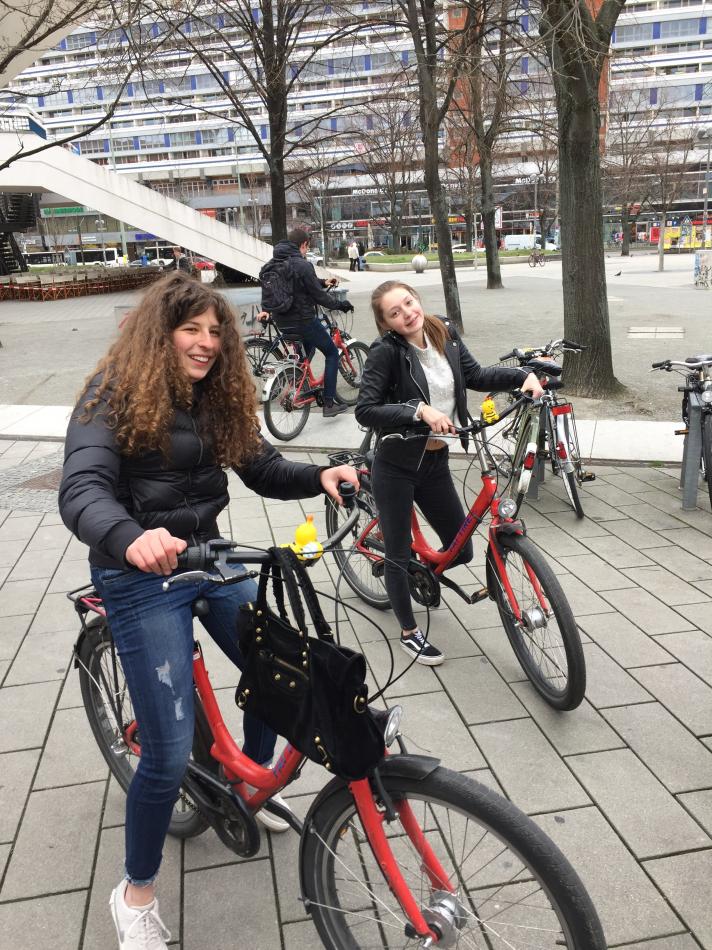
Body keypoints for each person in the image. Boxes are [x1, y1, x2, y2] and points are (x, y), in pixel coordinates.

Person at [59, 272, 358, 950]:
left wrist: (320, 475)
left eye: (215, 332)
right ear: (159, 333)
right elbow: (81, 489)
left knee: (279, 670)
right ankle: (135, 894)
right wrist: (130, 537)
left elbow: (262, 467)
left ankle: (250, 787)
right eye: (190, 329)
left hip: (208, 554)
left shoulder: (215, 395)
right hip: (138, 573)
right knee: (166, 753)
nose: (205, 342)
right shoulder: (109, 394)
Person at [355, 281, 544, 666]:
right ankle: (408, 632)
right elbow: (366, 409)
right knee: (397, 553)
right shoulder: (385, 352)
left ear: (417, 300)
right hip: (397, 464)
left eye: (408, 303)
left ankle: (419, 573)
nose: (407, 314)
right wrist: (418, 410)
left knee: (462, 549)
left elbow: (474, 375)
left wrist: (521, 376)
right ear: (386, 323)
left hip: (436, 461)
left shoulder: (443, 331)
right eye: (395, 312)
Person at [261, 228, 354, 418]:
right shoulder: (303, 265)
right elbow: (319, 297)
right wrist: (340, 305)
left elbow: (295, 285)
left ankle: (300, 384)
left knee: (307, 351)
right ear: (303, 245)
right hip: (303, 320)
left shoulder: (273, 264)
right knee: (331, 353)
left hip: (282, 321)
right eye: (307, 247)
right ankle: (329, 404)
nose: (306, 250)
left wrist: (323, 282)